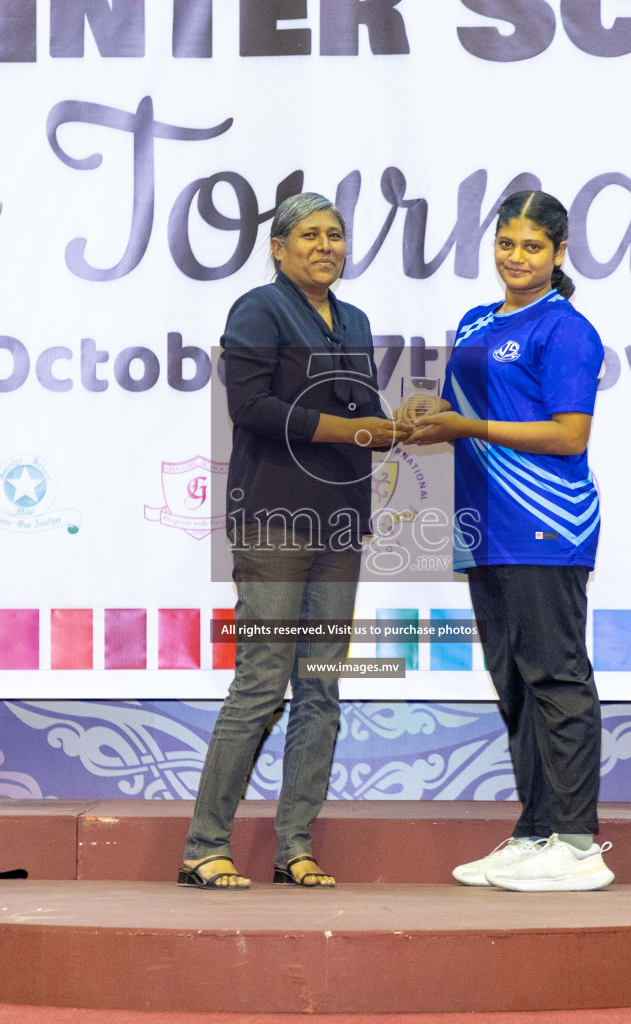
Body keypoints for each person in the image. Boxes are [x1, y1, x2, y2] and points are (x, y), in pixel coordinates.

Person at [179, 193, 400, 890]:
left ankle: (295, 847)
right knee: (261, 681)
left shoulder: (356, 319)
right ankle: (204, 847)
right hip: (272, 519)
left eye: (335, 234)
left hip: (338, 524)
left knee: (322, 688)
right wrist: (350, 430)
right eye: (310, 235)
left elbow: (364, 410)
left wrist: (405, 423)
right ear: (278, 248)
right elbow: (249, 407)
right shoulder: (258, 309)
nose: (325, 245)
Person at [404, 190, 612, 892]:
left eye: (531, 247)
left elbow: (568, 434)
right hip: (483, 523)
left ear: (558, 252)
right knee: (514, 682)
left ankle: (579, 843)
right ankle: (535, 832)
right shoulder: (473, 320)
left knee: (555, 675)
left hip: (545, 522)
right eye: (505, 244)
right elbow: (463, 408)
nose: (515, 258)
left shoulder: (567, 330)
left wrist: (469, 429)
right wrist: (430, 413)